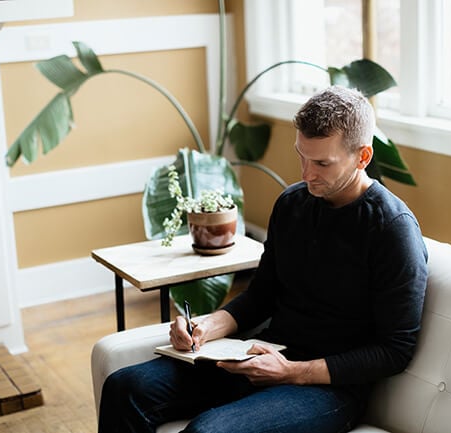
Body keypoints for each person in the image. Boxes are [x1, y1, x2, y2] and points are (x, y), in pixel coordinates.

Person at [97, 85, 428, 433]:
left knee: (208, 432)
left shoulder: (392, 229)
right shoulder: (292, 204)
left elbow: (396, 349)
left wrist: (292, 372)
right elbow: (261, 296)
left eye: (321, 163)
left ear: (363, 157)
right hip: (262, 356)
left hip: (329, 388)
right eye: (301, 155)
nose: (306, 174)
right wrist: (206, 328)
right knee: (125, 387)